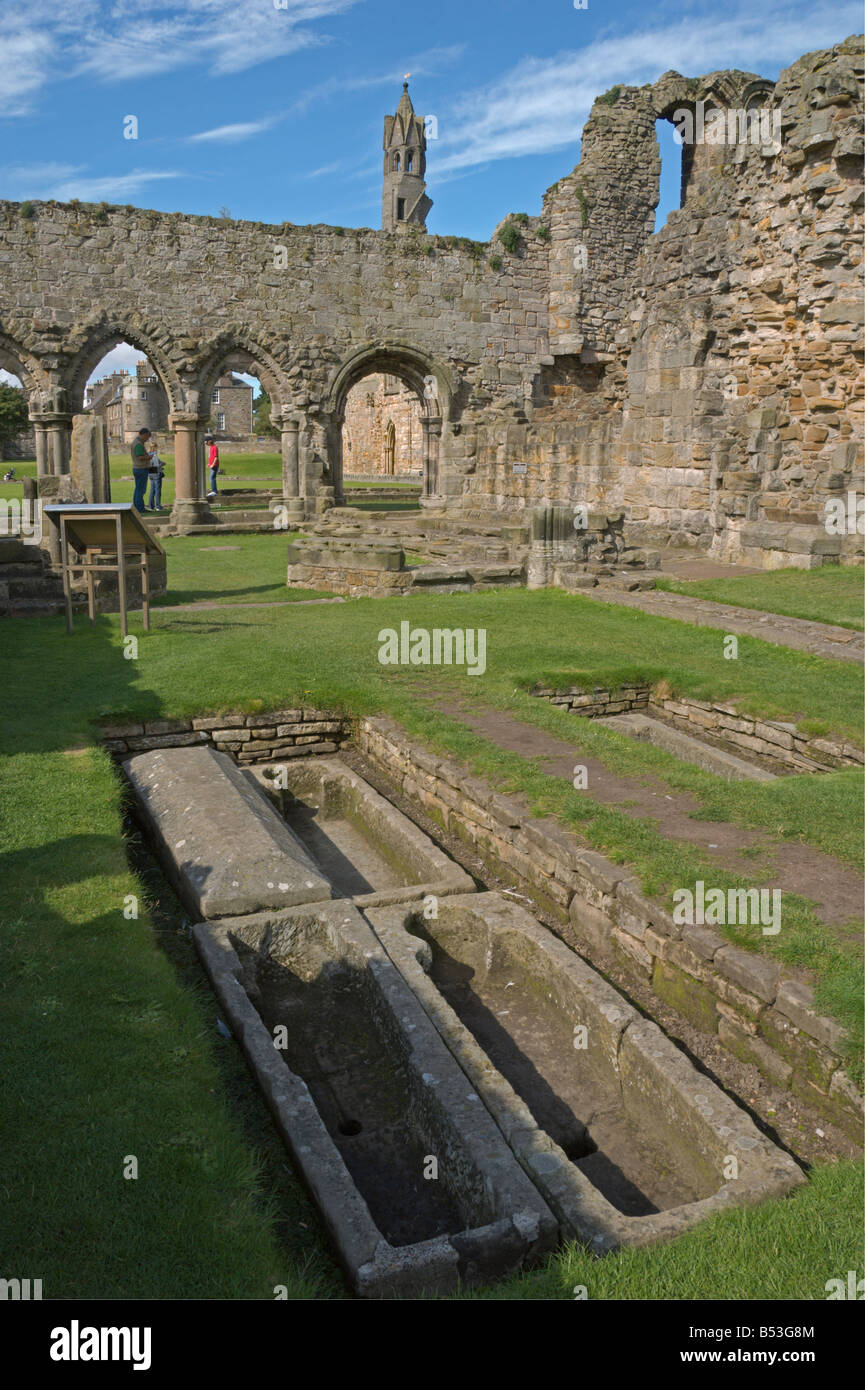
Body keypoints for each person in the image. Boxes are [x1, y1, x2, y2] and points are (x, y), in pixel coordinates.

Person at [131, 428, 152, 512]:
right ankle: (139, 508)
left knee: (138, 489)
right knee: (140, 490)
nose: (148, 439)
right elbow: (140, 457)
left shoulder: (136, 442)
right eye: (147, 437)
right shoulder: (138, 444)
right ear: (144, 434)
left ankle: (138, 507)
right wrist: (149, 457)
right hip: (141, 468)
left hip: (138, 468)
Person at [146, 441, 165, 511]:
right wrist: (162, 464)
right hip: (156, 474)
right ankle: (158, 506)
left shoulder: (148, 454)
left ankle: (151, 506)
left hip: (150, 474)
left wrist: (160, 462)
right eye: (156, 447)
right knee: (157, 491)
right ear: (155, 447)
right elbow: (156, 466)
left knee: (152, 490)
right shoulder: (154, 455)